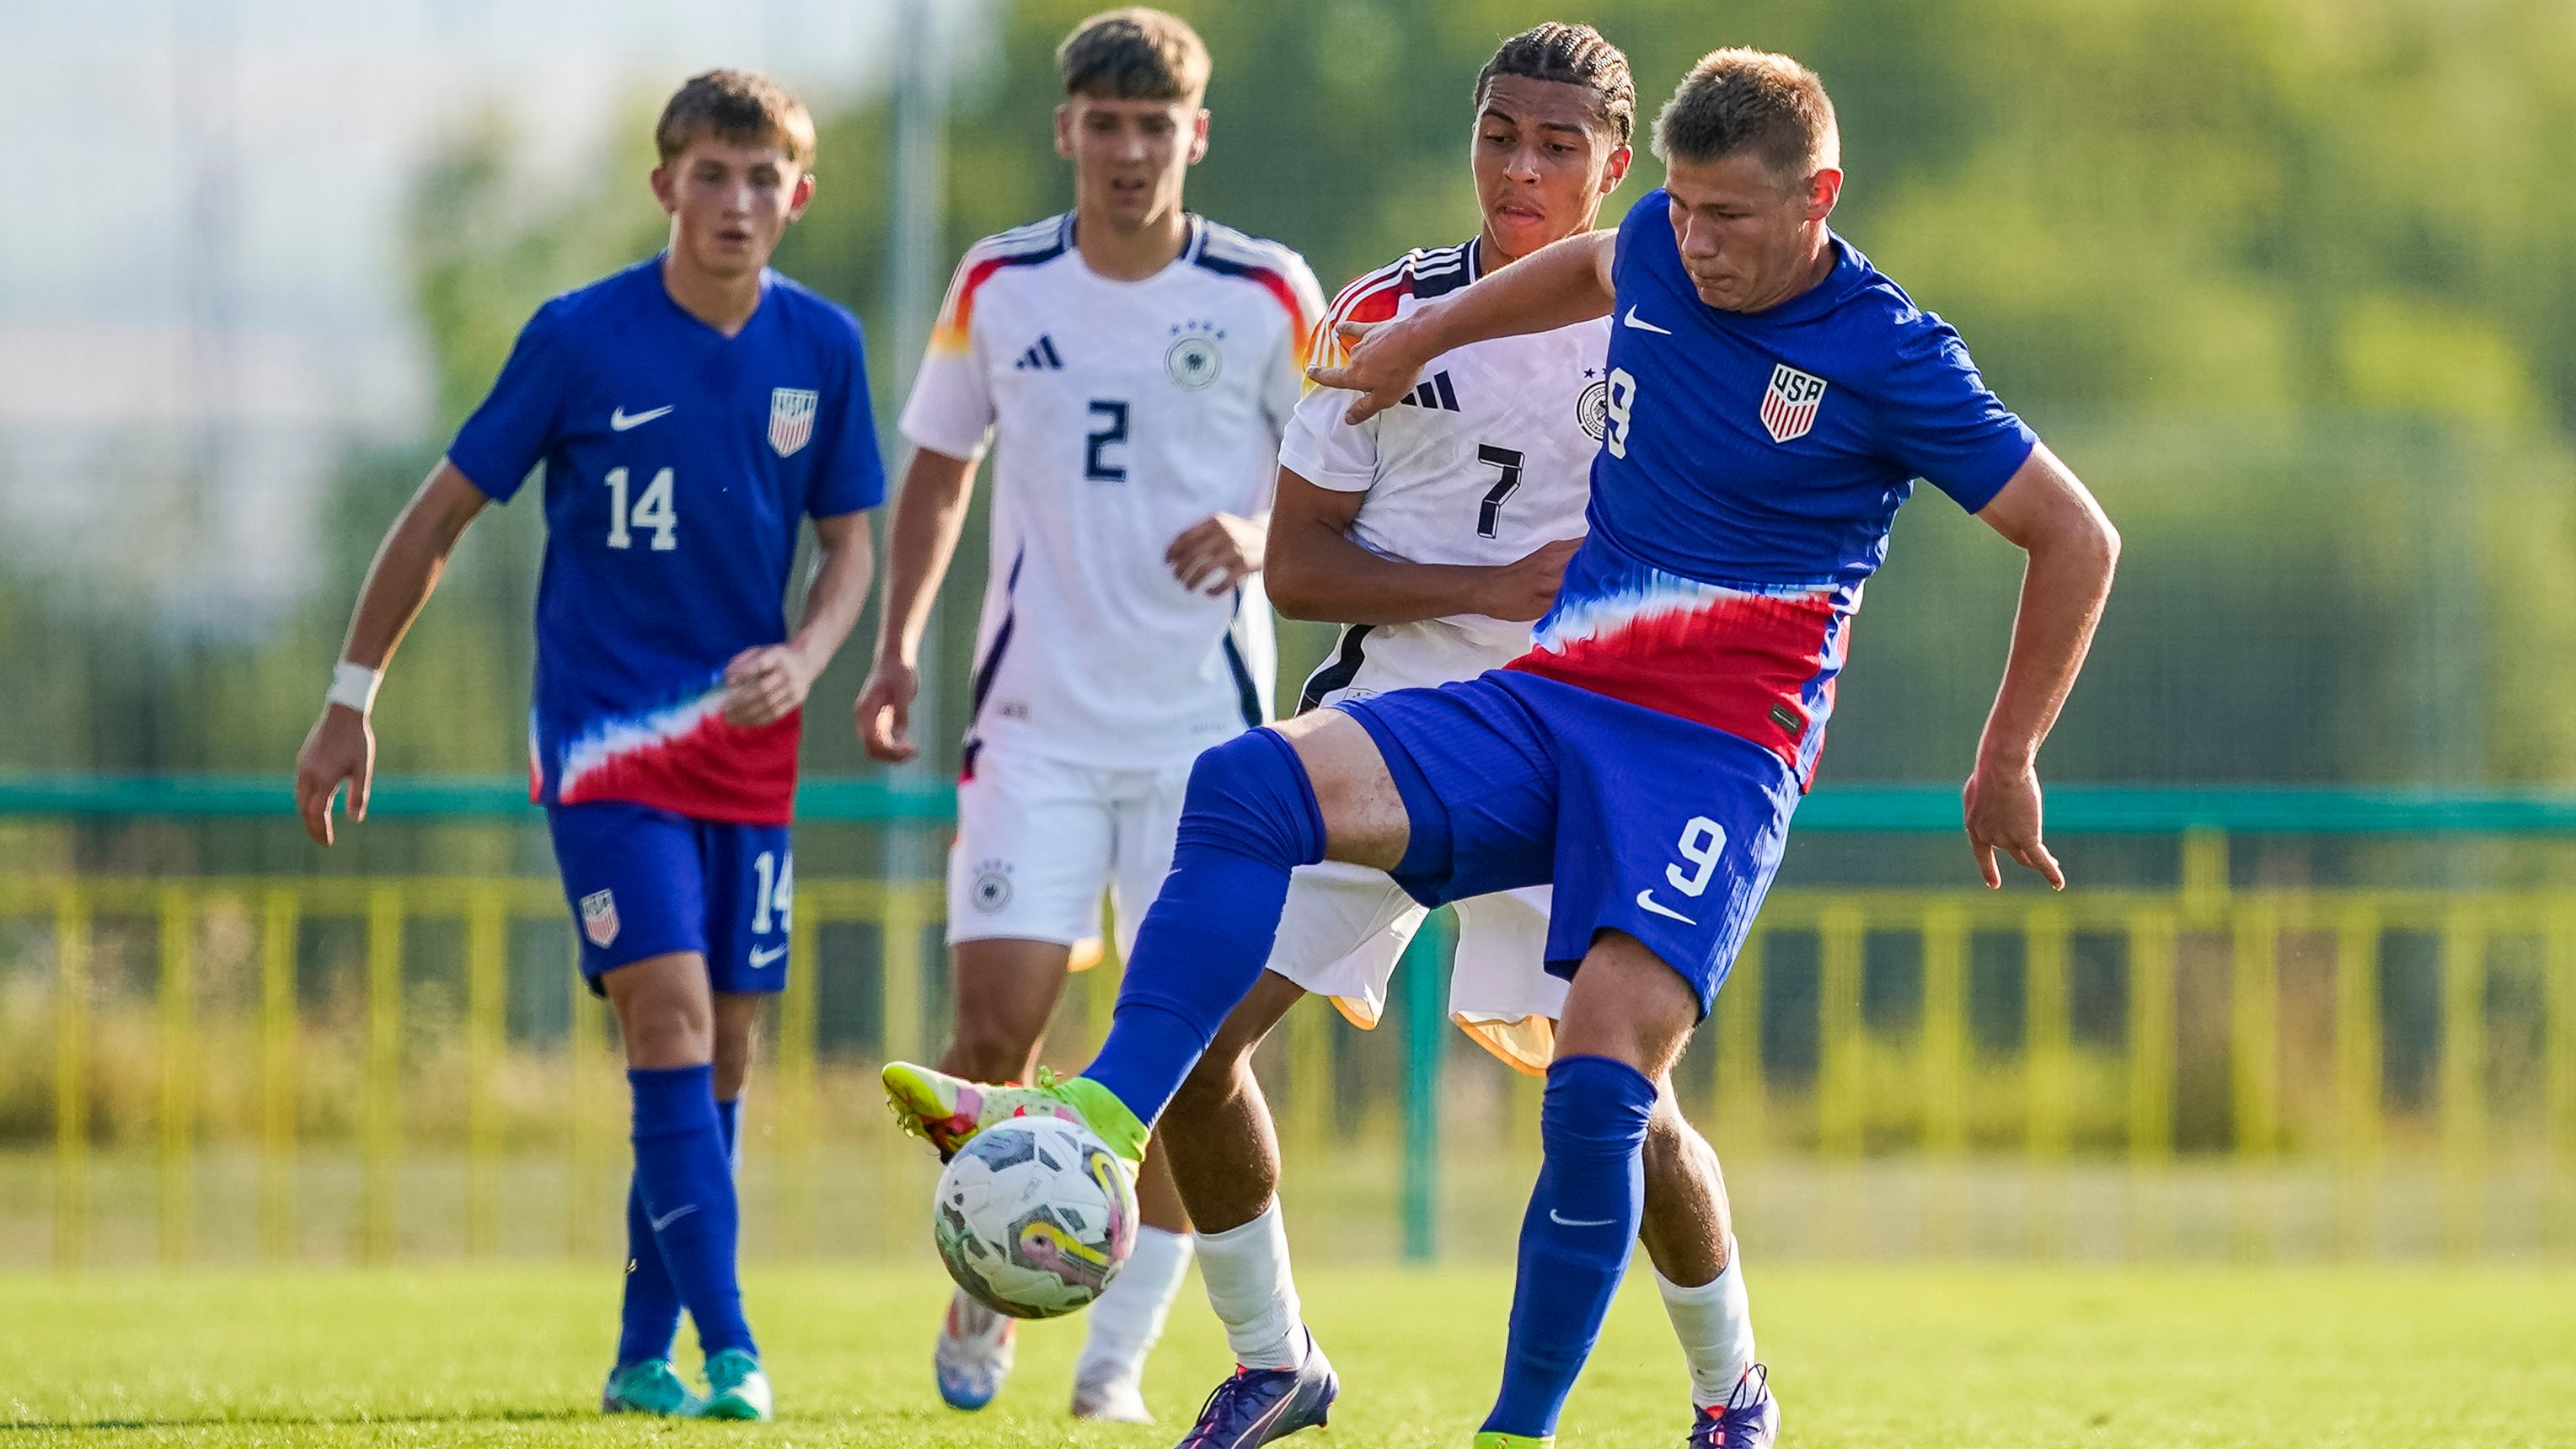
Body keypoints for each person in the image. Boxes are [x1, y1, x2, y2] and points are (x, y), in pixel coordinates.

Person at [885, 45, 2119, 1449]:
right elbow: (1594, 268)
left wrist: (2006, 753)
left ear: (1819, 195)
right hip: (1536, 708)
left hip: (1710, 757)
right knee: (1242, 786)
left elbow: (2073, 533)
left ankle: (1598, 1415)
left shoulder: (1893, 354)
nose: (1692, 243)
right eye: (1681, 209)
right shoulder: (1645, 243)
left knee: (1606, 1093)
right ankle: (1123, 1138)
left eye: (1728, 219)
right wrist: (1426, 337)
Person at [1150, 24, 1758, 1449]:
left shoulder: (1682, 328)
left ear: (1618, 169)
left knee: (1624, 1102)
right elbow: (1294, 568)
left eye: (1559, 146)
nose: (1521, 167)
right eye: (1500, 134)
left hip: (1590, 749)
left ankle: (1731, 1387)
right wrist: (1479, 587)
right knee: (1192, 1041)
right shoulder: (1383, 309)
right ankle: (1272, 1358)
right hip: (1388, 733)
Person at [292, 71, 881, 1425]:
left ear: (797, 195)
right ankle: (733, 1348)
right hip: (604, 745)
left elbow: (851, 548)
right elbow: (437, 518)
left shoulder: (825, 347)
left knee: (723, 1057)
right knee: (665, 1022)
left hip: (747, 751)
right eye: (712, 173)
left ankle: (636, 1359)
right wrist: (348, 696)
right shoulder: (579, 338)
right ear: (665, 184)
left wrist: (805, 653)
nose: (737, 201)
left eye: (762, 177)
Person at [850, 6, 1323, 1424]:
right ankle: (989, 1283)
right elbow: (936, 468)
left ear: (1194, 133)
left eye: (1153, 123)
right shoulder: (999, 282)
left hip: (1204, 745)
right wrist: (895, 650)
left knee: (1180, 1060)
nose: (1128, 149)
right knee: (991, 1032)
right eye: (1103, 123)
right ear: (1067, 130)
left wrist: (1258, 529)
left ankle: (1112, 1365)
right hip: (1037, 723)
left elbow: (1340, 464)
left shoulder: (1266, 292)